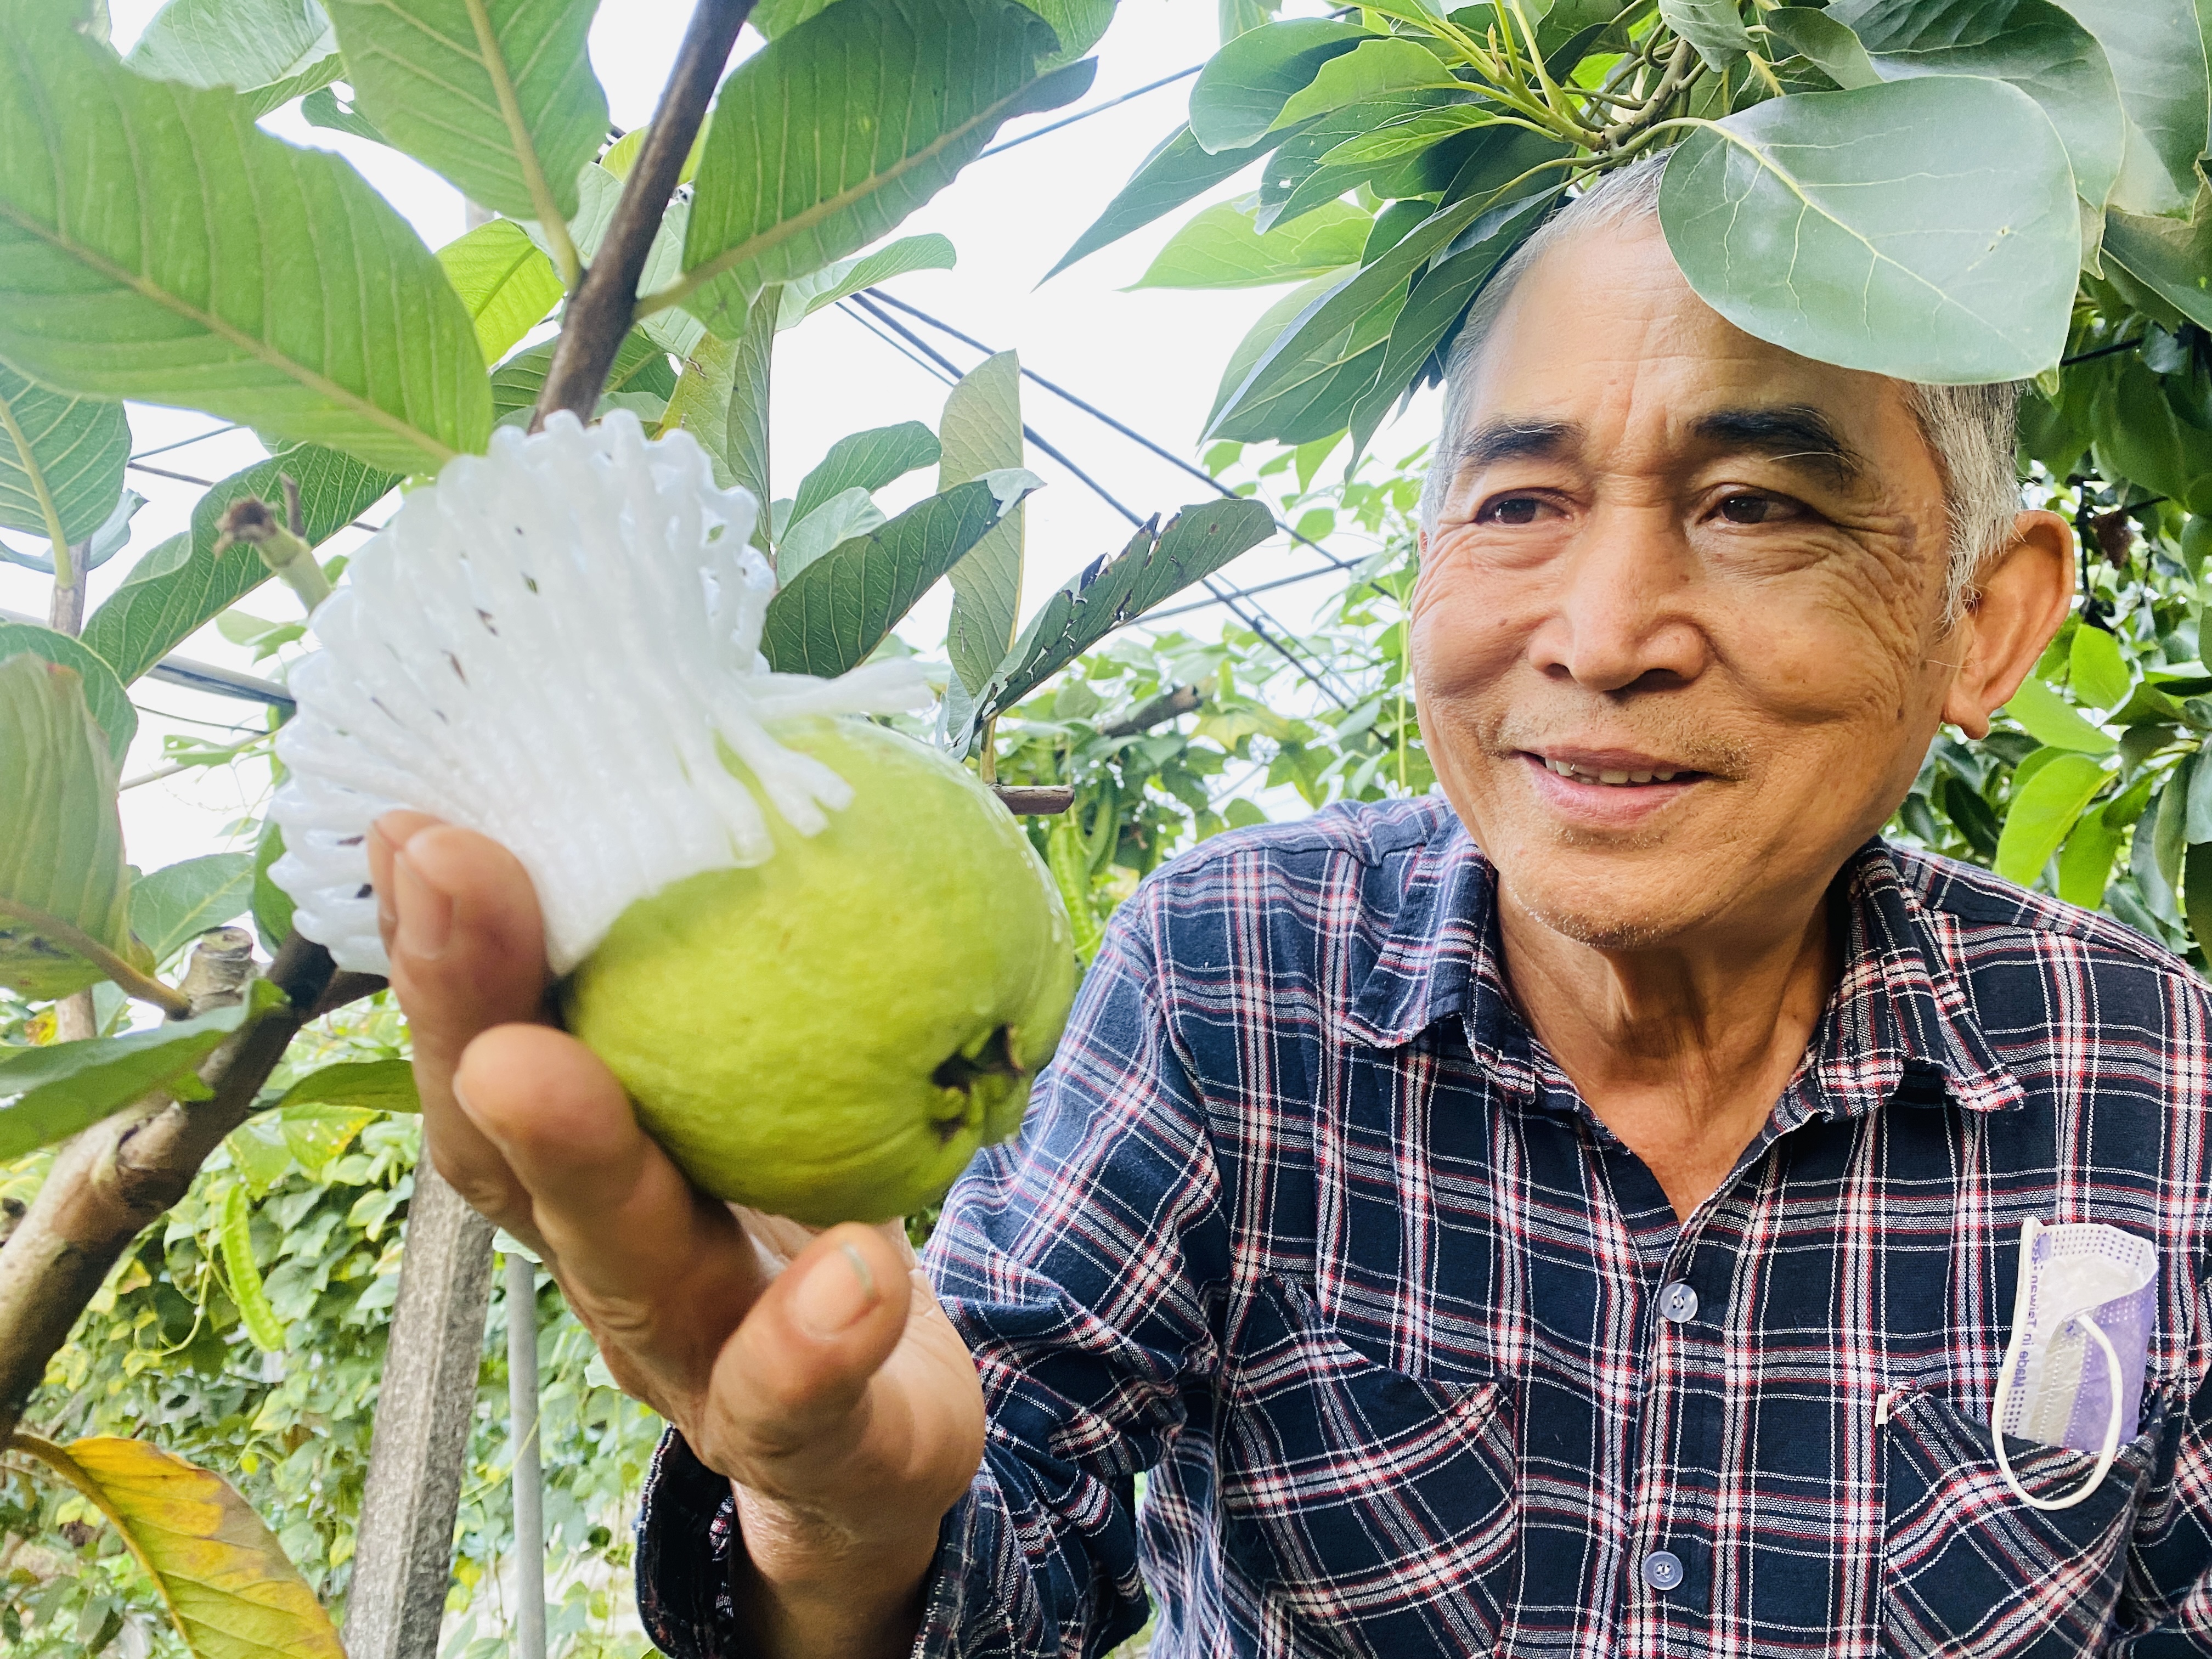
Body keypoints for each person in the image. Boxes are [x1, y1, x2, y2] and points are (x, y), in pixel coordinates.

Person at [366, 155, 2212, 1656]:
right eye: (1515, 508)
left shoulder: (2155, 1083)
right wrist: (842, 1525)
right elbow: (1011, 1529)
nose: (1599, 634)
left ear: (1987, 619)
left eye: (1751, 505)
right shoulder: (1231, 979)